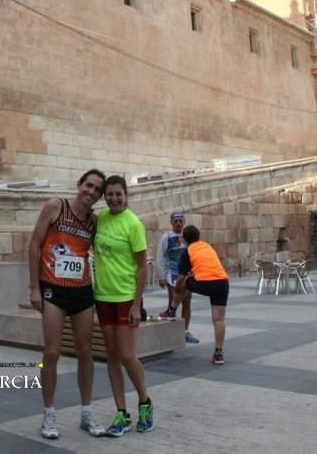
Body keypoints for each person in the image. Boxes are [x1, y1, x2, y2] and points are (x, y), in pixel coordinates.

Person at [28, 169, 107, 440]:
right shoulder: (55, 206)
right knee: (51, 352)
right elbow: (35, 244)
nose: (92, 192)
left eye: (97, 189)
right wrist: (33, 287)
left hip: (82, 291)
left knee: (86, 352)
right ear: (79, 185)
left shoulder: (94, 222)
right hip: (52, 288)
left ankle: (87, 411)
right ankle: (49, 412)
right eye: (89, 185)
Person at [94, 175, 153, 437]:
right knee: (111, 355)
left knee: (127, 355)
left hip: (126, 298)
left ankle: (144, 403)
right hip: (103, 297)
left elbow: (142, 267)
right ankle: (121, 412)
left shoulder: (133, 224)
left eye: (118, 194)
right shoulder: (101, 219)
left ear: (126, 195)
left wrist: (136, 305)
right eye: (110, 194)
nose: (114, 198)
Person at [169, 225, 230, 365]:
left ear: (184, 239)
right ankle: (219, 354)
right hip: (222, 282)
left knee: (183, 281)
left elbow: (180, 277)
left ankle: (171, 310)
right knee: (219, 320)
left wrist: (178, 289)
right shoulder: (207, 246)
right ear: (199, 236)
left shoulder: (188, 251)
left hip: (205, 283)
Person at [156, 212, 197, 343]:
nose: (178, 223)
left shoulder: (189, 237)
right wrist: (161, 275)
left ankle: (185, 331)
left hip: (187, 274)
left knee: (187, 302)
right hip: (172, 274)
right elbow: (160, 256)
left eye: (180, 220)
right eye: (176, 221)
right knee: (172, 303)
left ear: (184, 221)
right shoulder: (166, 237)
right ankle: (171, 333)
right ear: (171, 223)